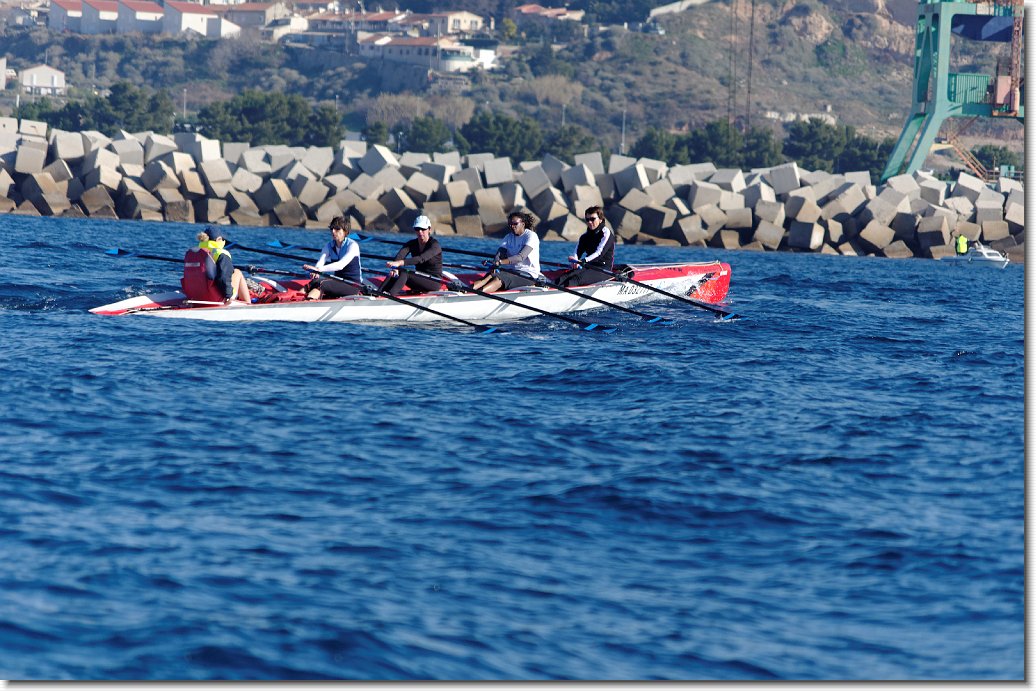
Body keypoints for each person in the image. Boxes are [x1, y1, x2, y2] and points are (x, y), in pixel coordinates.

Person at [471, 211, 542, 293]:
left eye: (515, 224)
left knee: (499, 279)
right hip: (512, 271)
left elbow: (520, 257)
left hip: (528, 275)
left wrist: (500, 262)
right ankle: (465, 292)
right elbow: (499, 254)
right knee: (489, 276)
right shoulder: (508, 237)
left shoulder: (531, 236)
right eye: (510, 224)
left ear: (523, 224)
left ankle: (477, 295)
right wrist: (495, 263)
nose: (512, 226)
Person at [181, 229, 252, 305]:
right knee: (237, 272)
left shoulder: (193, 252)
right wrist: (228, 296)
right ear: (218, 239)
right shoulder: (221, 254)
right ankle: (247, 303)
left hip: (194, 295)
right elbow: (223, 278)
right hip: (213, 297)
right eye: (223, 239)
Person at [302, 216, 363, 299]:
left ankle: (307, 302)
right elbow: (321, 262)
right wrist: (315, 271)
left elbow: (340, 265)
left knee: (321, 284)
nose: (333, 231)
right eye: (332, 228)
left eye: (337, 229)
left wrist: (319, 270)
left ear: (345, 231)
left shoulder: (352, 245)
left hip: (353, 285)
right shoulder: (329, 246)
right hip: (339, 281)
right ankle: (294, 298)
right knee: (313, 282)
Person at [380, 215, 443, 295]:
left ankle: (390, 295)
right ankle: (378, 293)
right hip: (420, 278)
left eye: (423, 229)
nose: (420, 232)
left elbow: (420, 259)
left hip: (434, 281)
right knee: (396, 272)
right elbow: (400, 256)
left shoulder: (435, 245)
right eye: (417, 229)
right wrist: (395, 268)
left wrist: (399, 263)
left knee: (405, 272)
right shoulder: (412, 243)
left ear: (429, 229)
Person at [556, 206, 616, 288]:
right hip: (588, 266)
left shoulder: (606, 233)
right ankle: (545, 289)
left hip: (603, 269)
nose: (590, 222)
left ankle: (559, 293)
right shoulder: (585, 236)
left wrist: (583, 260)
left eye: (592, 219)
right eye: (587, 219)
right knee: (565, 276)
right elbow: (577, 252)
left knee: (577, 278)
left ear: (600, 219)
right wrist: (575, 261)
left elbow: (599, 253)